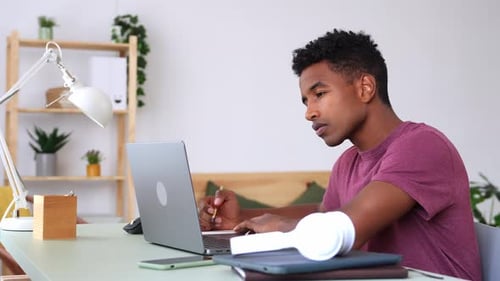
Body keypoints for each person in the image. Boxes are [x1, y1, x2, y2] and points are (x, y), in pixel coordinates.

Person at [198, 29, 481, 280]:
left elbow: (339, 228)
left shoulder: (422, 146)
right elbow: (325, 215)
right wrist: (242, 219)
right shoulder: (349, 162)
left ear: (365, 88)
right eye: (306, 101)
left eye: (319, 94)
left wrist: (284, 228)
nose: (309, 112)